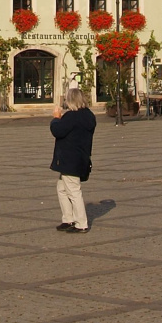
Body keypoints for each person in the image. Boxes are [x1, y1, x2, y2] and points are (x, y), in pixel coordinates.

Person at [51, 87, 96, 233]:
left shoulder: (71, 116)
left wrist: (56, 118)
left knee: (74, 191)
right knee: (62, 188)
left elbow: (57, 131)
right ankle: (68, 218)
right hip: (80, 158)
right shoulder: (89, 115)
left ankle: (81, 223)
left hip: (70, 160)